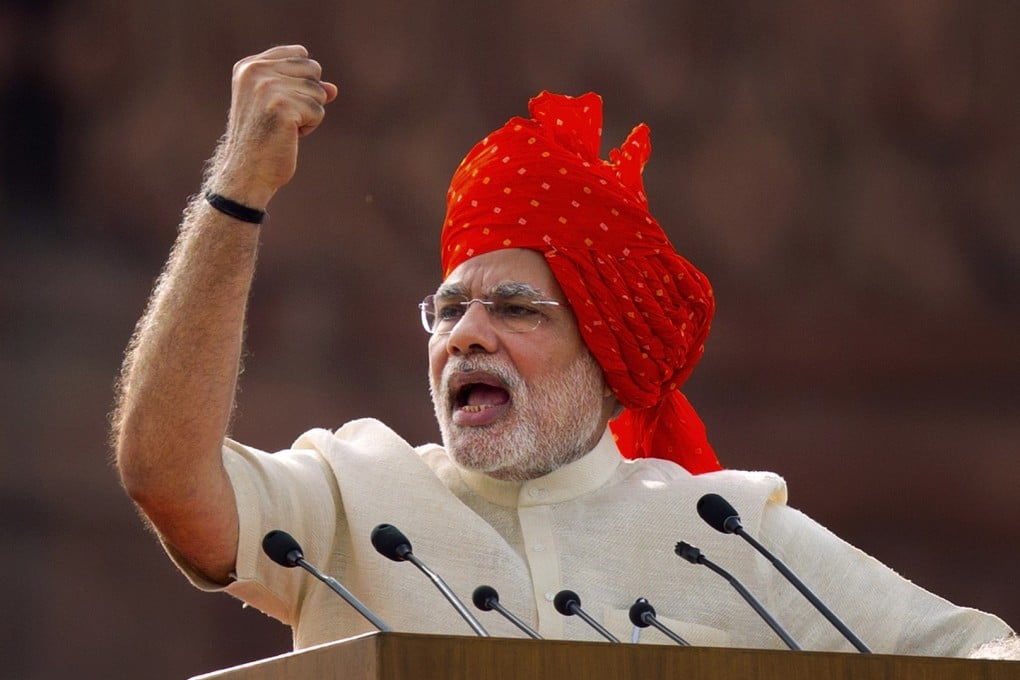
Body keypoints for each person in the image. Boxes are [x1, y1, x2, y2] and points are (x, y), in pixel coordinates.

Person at [113, 45, 1016, 659]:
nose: (467, 332)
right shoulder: (351, 496)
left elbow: (975, 652)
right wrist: (236, 191)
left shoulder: (729, 532)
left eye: (514, 307)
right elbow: (165, 474)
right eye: (450, 308)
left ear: (604, 349)